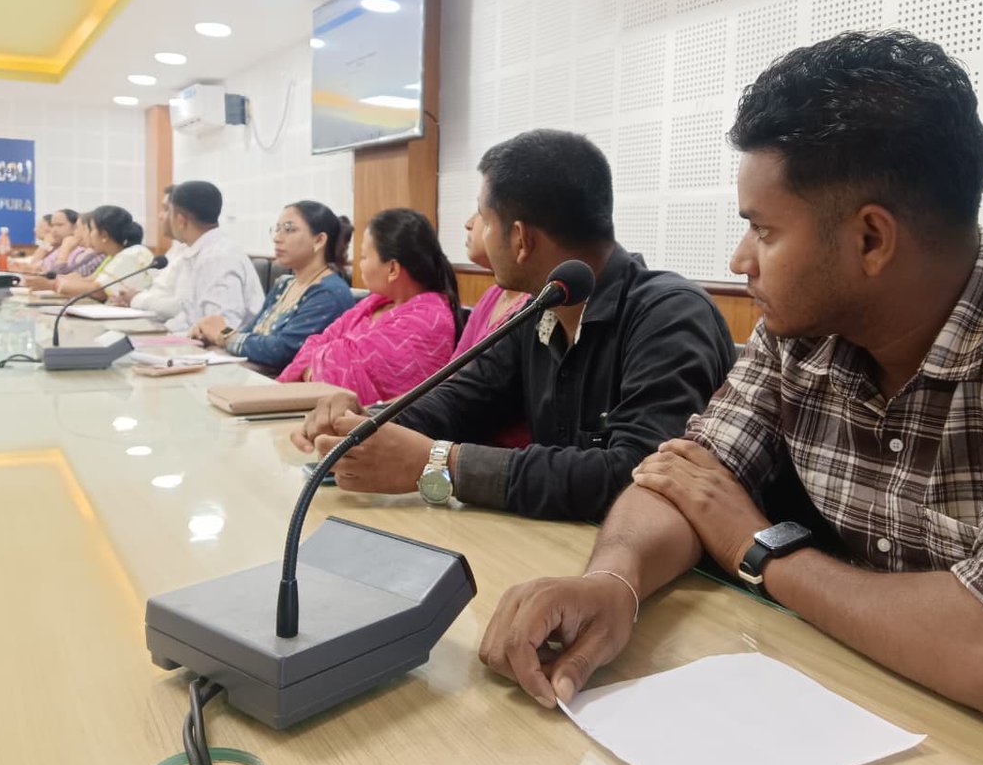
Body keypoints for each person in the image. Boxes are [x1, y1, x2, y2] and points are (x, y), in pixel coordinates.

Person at [478, 32, 983, 731]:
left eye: (762, 231)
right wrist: (613, 581)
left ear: (871, 240)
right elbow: (683, 478)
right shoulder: (801, 330)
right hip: (867, 702)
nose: (739, 260)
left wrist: (761, 550)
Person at [294, 129, 735, 521]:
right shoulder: (542, 308)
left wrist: (441, 464)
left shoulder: (671, 315)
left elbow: (639, 474)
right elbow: (460, 399)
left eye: (484, 219)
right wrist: (363, 423)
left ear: (521, 239)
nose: (476, 231)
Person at [277, 208, 460, 403]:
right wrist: (319, 365)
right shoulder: (374, 303)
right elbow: (317, 342)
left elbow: (343, 387)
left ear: (392, 269)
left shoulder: (428, 321)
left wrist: (314, 368)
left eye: (364, 257)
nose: (360, 264)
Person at [191, 201, 355, 373]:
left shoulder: (328, 293)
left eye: (289, 229)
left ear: (319, 240)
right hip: (252, 376)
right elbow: (251, 332)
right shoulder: (285, 283)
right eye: (277, 229)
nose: (277, 238)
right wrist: (211, 334)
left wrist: (223, 334)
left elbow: (282, 351)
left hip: (282, 390)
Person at [164, 180, 265, 333]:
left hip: (226, 352)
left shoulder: (218, 258)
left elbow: (223, 327)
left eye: (168, 212)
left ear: (180, 220)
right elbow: (189, 316)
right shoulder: (201, 251)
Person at [453, 210, 529, 355]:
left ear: (518, 234)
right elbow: (455, 368)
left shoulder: (534, 304)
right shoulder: (493, 293)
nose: (468, 224)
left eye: (481, 213)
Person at [112, 186, 188, 319]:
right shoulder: (177, 248)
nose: (159, 216)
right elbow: (161, 292)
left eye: (165, 209)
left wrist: (137, 299)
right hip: (153, 319)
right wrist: (133, 299)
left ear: (180, 218)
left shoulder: (203, 256)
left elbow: (182, 308)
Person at [53, 205, 154, 300]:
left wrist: (55, 284)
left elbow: (98, 291)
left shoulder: (131, 254)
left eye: (91, 230)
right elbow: (92, 282)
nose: (89, 235)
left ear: (104, 235)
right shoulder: (116, 255)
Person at [33, 212, 103, 285]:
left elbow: (57, 275)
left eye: (59, 225)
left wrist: (62, 250)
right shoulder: (59, 247)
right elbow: (35, 266)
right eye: (53, 225)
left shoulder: (77, 249)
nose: (53, 230)